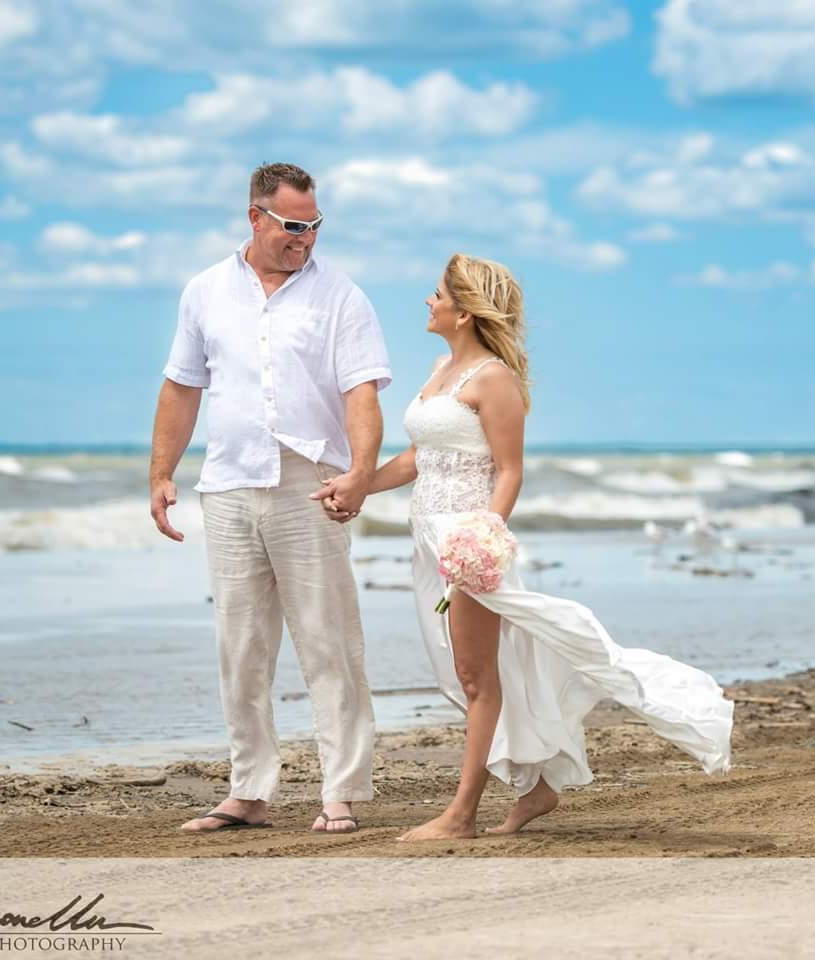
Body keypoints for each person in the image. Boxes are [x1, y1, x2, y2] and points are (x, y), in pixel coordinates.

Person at [314, 253, 734, 841]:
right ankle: (537, 789)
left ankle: (460, 815)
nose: (428, 302)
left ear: (464, 311)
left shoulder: (494, 379)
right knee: (464, 671)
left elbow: (509, 472)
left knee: (477, 676)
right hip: (428, 541)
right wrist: (360, 485)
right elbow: (419, 458)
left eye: (438, 294)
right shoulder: (440, 370)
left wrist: (484, 538)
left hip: (468, 543)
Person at [150, 162, 391, 835]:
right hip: (226, 485)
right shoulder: (204, 291)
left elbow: (362, 394)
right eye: (293, 226)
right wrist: (160, 473)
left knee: (329, 642)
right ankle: (249, 791)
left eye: (314, 226)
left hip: (307, 483)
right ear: (255, 217)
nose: (305, 238)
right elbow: (181, 386)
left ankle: (340, 791)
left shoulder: (342, 296)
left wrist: (361, 474)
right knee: (242, 645)